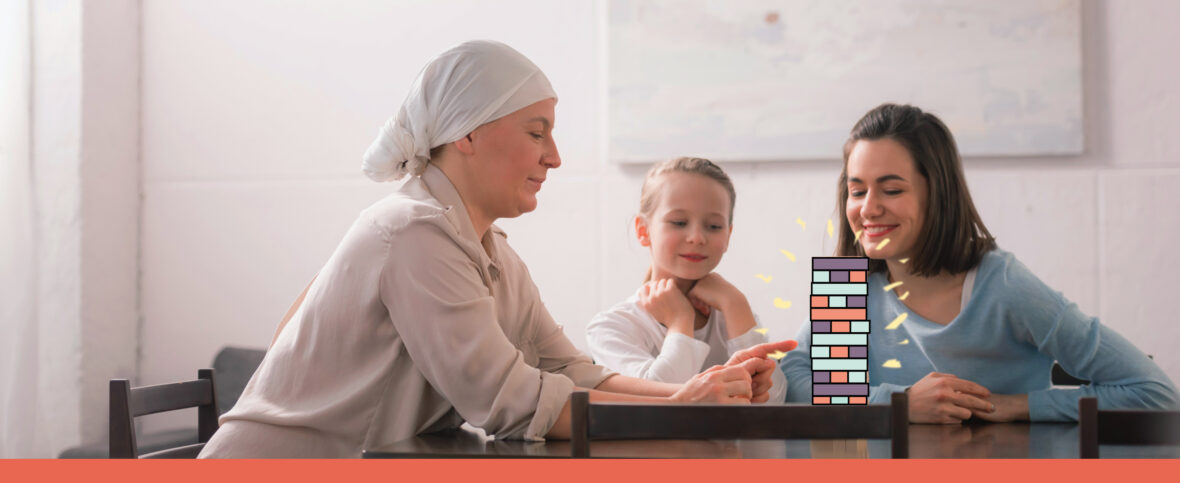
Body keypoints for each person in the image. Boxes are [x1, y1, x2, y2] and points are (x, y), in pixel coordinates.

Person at [198, 40, 792, 458]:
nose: (554, 156)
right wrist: (683, 404)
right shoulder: (414, 233)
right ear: (467, 133)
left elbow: (565, 369)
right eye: (537, 133)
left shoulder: (489, 250)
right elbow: (511, 403)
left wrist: (690, 393)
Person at [781, 103, 1178, 423]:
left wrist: (1015, 405)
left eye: (891, 189)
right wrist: (899, 404)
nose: (868, 208)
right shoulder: (849, 284)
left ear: (936, 193)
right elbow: (797, 382)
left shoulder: (1000, 285)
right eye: (857, 190)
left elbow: (1153, 393)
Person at [587, 157, 792, 402]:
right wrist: (680, 322)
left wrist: (735, 303)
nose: (696, 237)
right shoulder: (611, 328)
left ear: (728, 235)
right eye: (679, 222)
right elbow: (660, 406)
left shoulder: (732, 313)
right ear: (643, 230)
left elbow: (774, 402)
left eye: (714, 226)